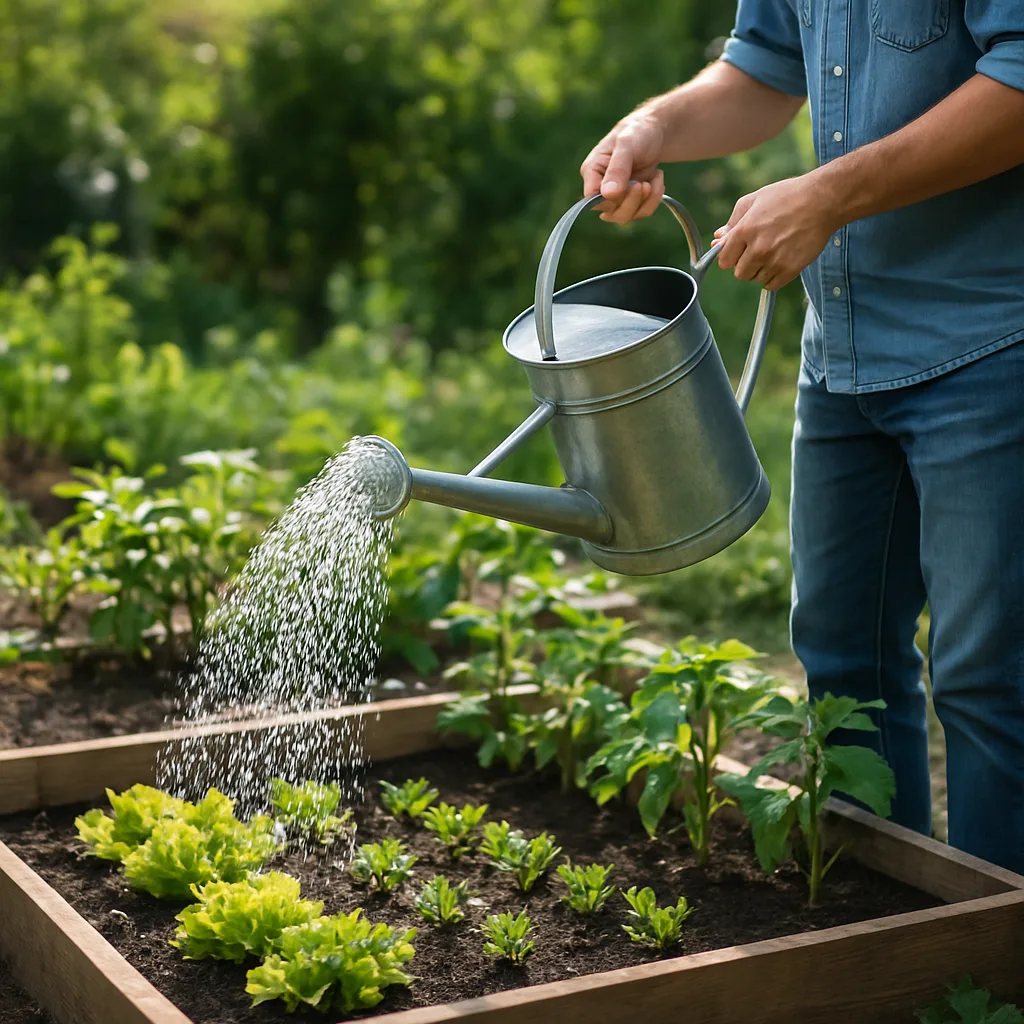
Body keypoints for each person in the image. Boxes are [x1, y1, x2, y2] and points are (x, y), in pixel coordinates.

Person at [580, 1, 1024, 874]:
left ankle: (994, 973)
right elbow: (765, 69)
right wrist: (654, 124)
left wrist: (827, 195)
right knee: (841, 658)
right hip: (845, 352)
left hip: (992, 341)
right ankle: (879, 937)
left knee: (990, 680)